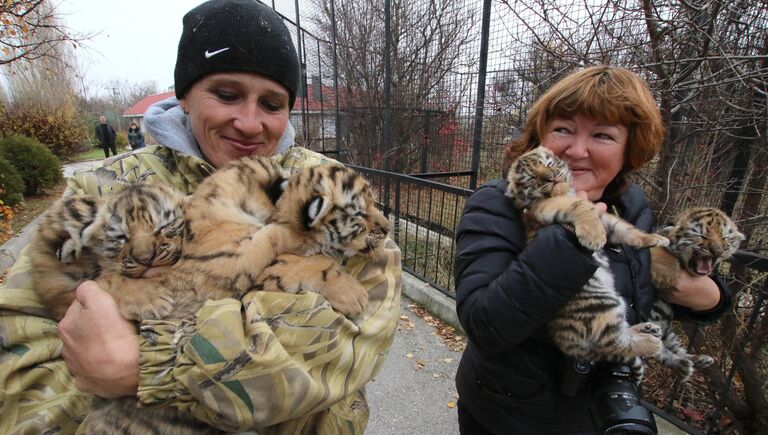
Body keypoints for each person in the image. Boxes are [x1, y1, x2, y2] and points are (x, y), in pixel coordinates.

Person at [0, 1, 402, 434]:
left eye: (272, 103)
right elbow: (22, 356)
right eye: (226, 95)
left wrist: (147, 369)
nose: (250, 123)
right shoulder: (105, 188)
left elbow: (351, 344)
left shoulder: (333, 188)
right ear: (185, 96)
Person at [453, 65, 732, 434]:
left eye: (602, 135)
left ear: (629, 149)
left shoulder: (630, 203)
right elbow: (483, 323)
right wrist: (572, 235)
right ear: (541, 135)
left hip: (597, 413)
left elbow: (636, 287)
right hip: (507, 414)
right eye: (563, 129)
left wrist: (711, 299)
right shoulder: (497, 202)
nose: (576, 149)